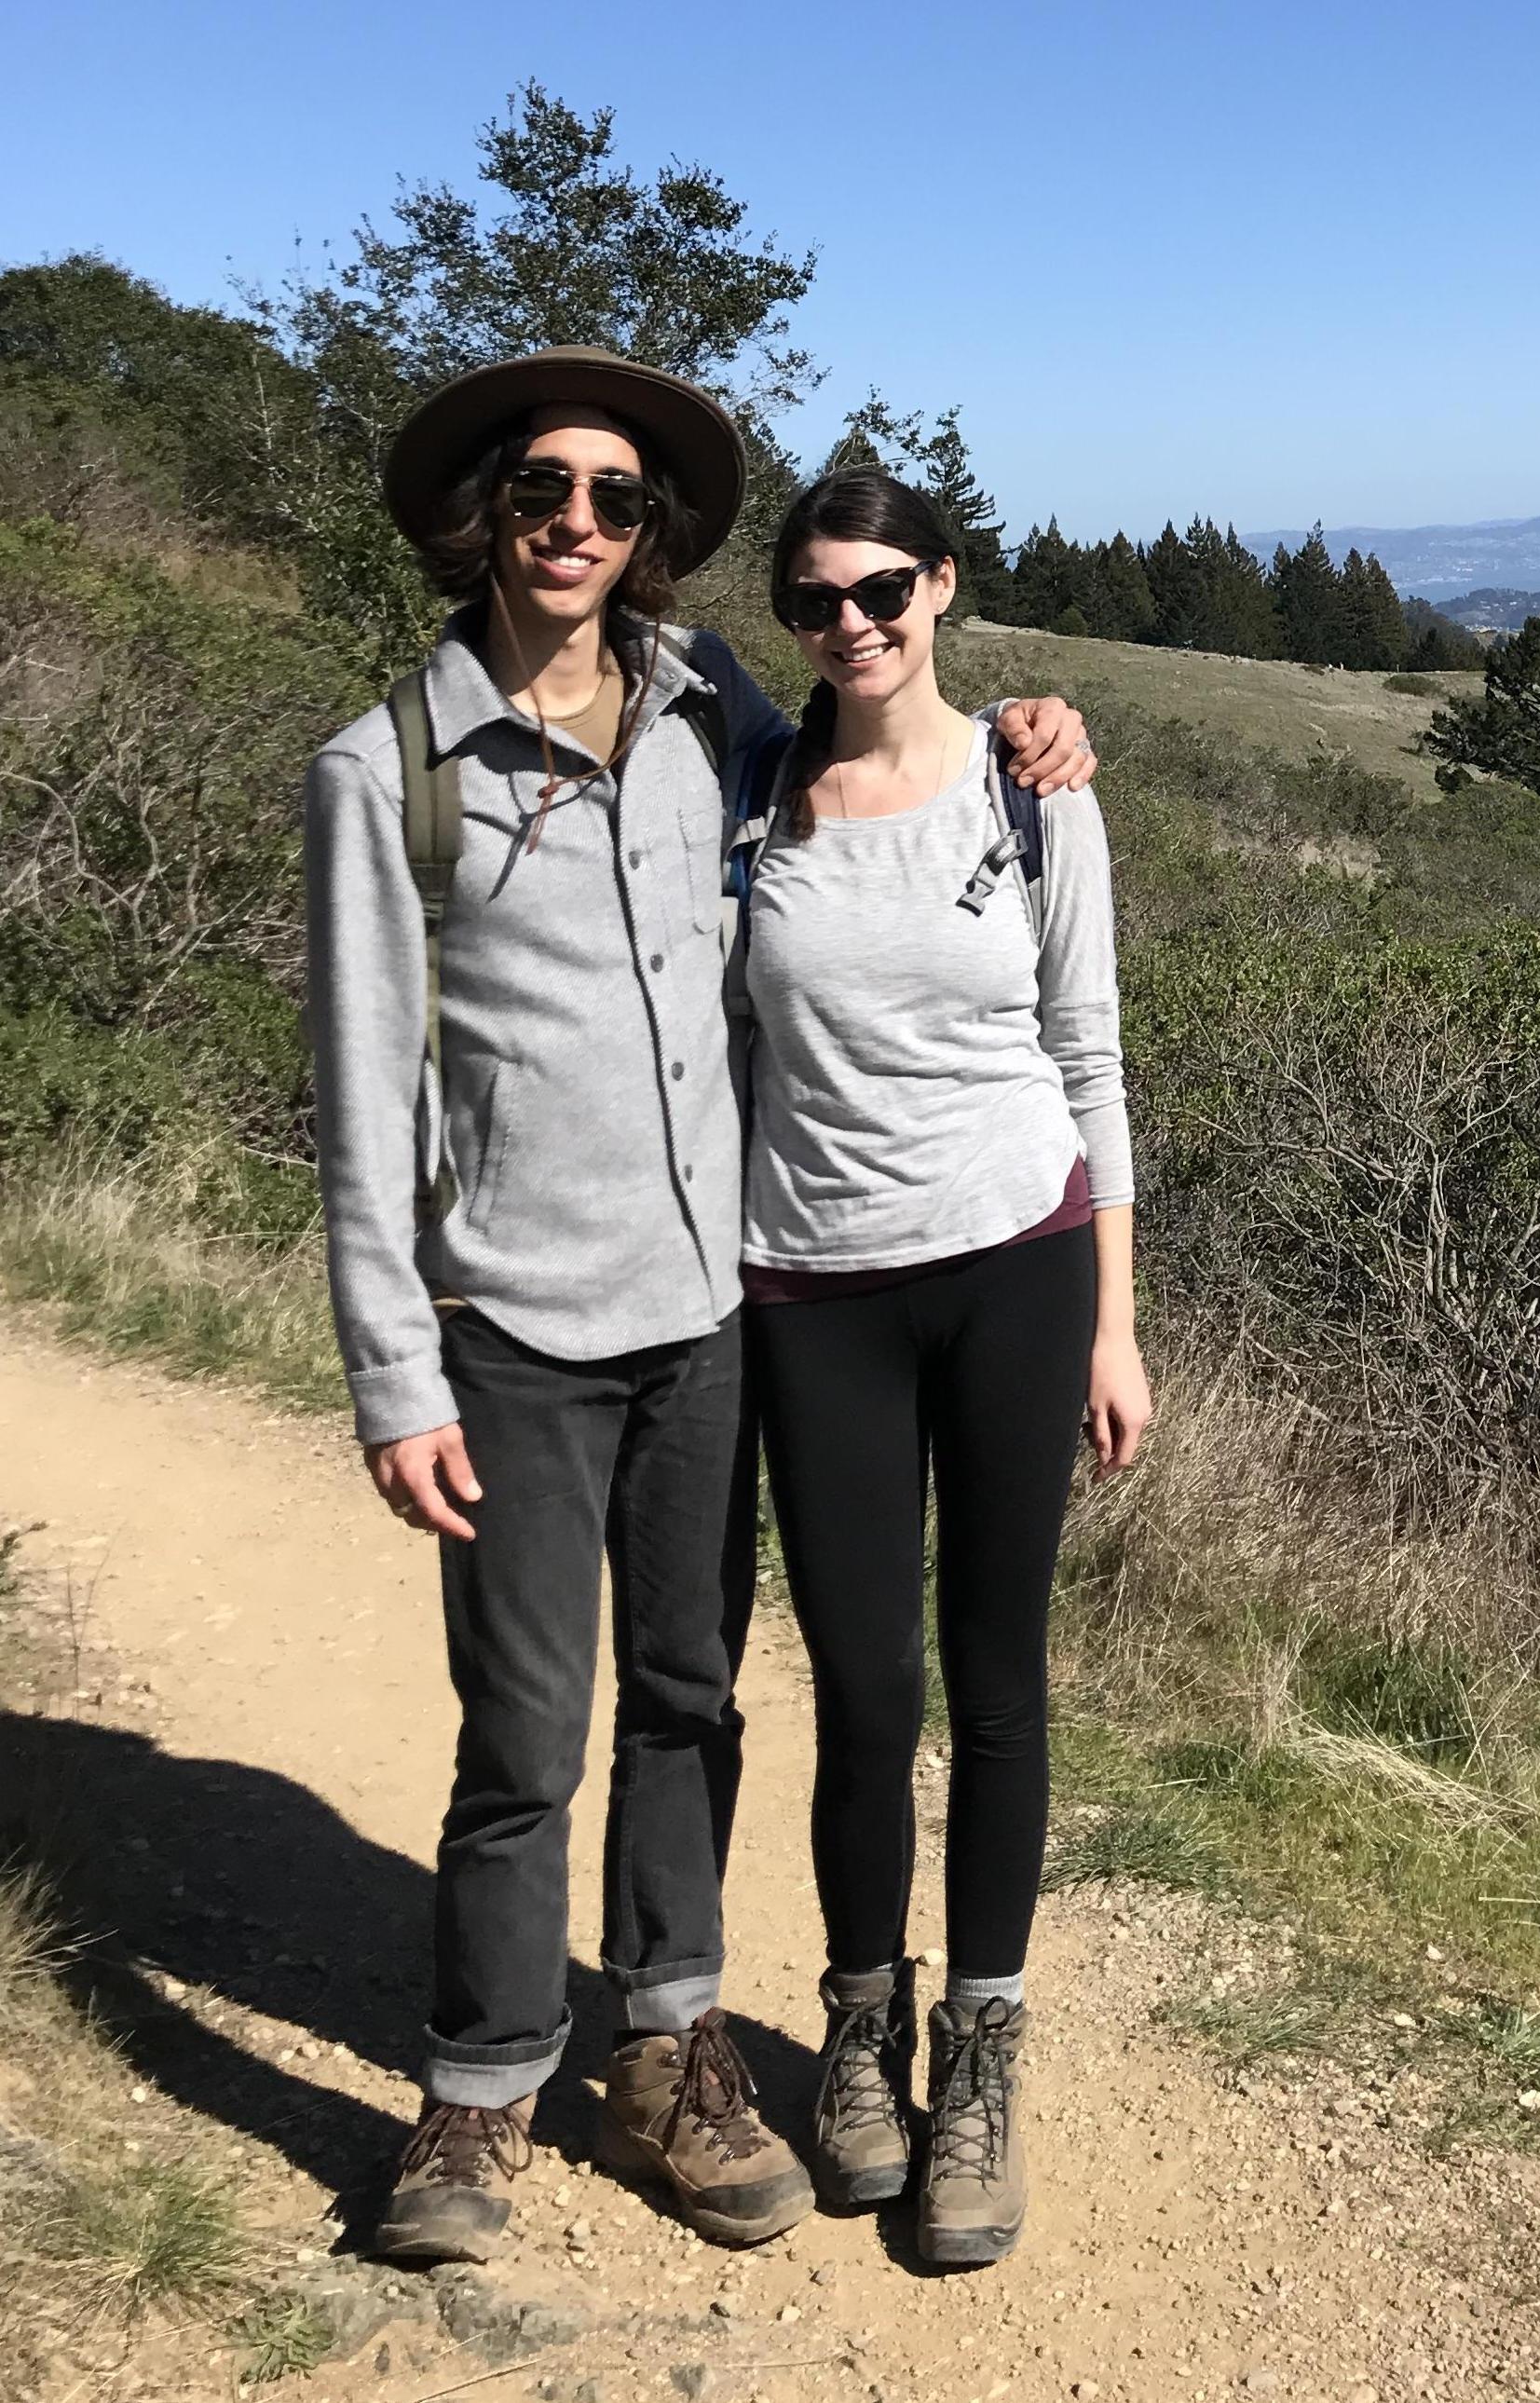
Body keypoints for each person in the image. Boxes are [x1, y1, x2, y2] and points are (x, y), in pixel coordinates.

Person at [303, 348, 1095, 2265]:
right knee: (525, 1731)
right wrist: (393, 1369)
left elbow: (891, 767)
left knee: (690, 1701)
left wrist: (1040, 730)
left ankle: (670, 2049)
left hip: (710, 1312)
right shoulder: (383, 769)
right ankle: (479, 2092)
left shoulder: (703, 721)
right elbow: (357, 1092)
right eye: (541, 491)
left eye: (614, 499)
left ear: (651, 539)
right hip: (507, 1318)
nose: (576, 521)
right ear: (482, 514)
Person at [739, 466, 1152, 2266]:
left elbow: (1093, 1057)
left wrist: (1119, 1323)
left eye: (883, 588)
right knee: (860, 1683)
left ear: (944, 588)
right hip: (814, 1288)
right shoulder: (750, 794)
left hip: (1017, 1269)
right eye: (819, 598)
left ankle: (977, 2051)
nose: (853, 622)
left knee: (998, 1678)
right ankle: (856, 2035)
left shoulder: (1035, 788)